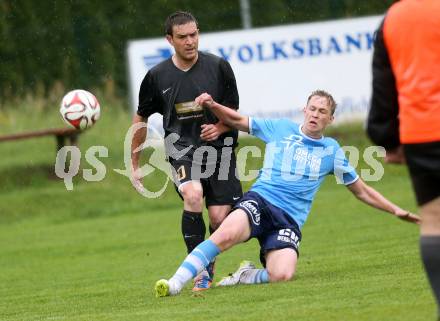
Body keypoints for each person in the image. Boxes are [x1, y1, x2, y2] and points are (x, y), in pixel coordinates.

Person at [154, 89, 420, 297]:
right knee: (226, 234)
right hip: (260, 200)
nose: (315, 114)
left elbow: (361, 191)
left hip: (289, 219)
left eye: (322, 111)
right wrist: (212, 105)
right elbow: (235, 119)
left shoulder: (332, 151)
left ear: (331, 119)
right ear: (304, 110)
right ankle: (175, 282)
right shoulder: (281, 128)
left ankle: (245, 275)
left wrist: (396, 209)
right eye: (312, 108)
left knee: (281, 274)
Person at [131, 11, 242, 291]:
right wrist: (134, 163)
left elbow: (233, 112)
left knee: (219, 218)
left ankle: (209, 259)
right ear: (170, 39)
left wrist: (218, 128)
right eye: (183, 37)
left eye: (194, 34)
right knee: (192, 194)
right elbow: (140, 117)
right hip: (182, 150)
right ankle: (200, 270)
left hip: (221, 150)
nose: (190, 41)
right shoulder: (156, 76)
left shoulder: (218, 67)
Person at [367, 1, 440, 318]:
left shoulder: (394, 18)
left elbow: (385, 89)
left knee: (434, 220)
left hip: (422, 135)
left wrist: (387, 138)